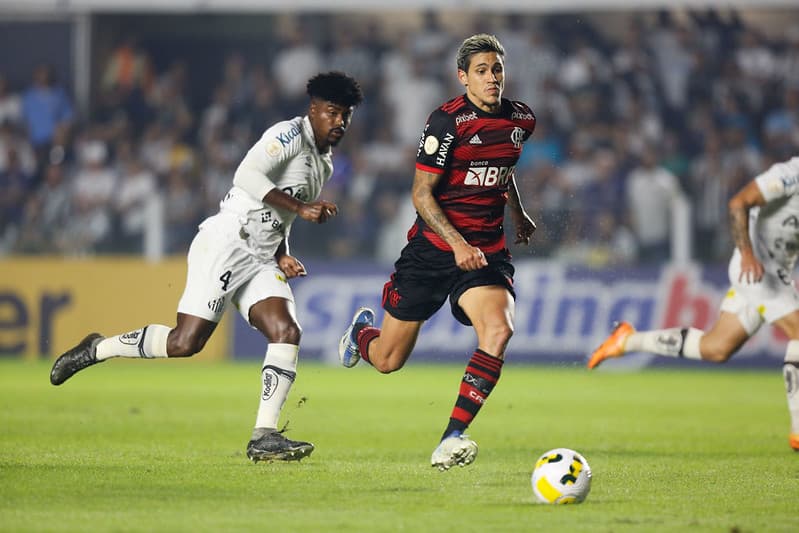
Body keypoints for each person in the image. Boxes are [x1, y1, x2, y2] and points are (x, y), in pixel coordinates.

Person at [50, 72, 363, 462]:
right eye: (332, 112)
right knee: (186, 343)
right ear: (313, 109)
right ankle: (98, 348)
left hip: (262, 257)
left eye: (346, 115)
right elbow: (246, 176)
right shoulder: (288, 135)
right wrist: (301, 207)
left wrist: (283, 250)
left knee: (286, 330)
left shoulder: (324, 164)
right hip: (227, 242)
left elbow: (280, 216)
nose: (340, 122)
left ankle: (264, 435)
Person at [338, 34, 537, 471]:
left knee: (498, 332)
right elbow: (421, 194)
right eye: (481, 71)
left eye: (496, 69)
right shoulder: (447, 122)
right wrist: (457, 243)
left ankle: (452, 436)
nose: (491, 78)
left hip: (486, 253)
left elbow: (502, 170)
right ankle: (360, 336)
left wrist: (518, 214)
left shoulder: (522, 119)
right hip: (432, 251)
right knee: (388, 361)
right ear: (463, 77)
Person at [588, 155, 799, 452]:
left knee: (716, 347)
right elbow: (738, 202)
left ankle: (629, 341)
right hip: (755, 268)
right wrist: (748, 255)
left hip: (777, 274)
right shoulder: (791, 174)